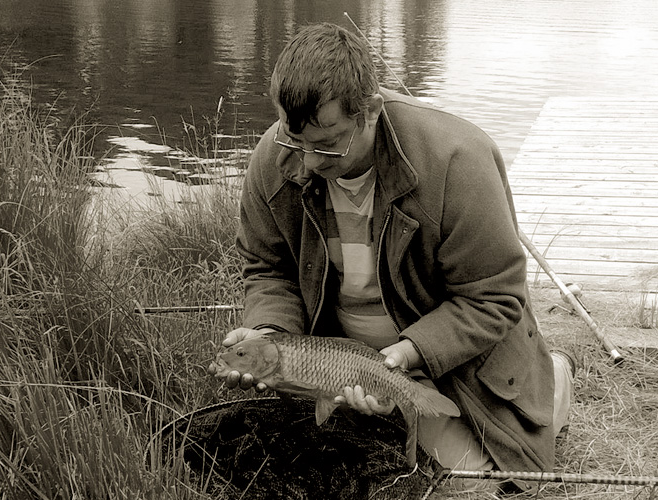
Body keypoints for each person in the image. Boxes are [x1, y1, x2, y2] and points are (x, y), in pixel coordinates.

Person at [210, 22, 575, 487]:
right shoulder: (274, 159)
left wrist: (403, 357)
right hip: (340, 356)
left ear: (372, 111)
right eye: (292, 139)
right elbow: (268, 270)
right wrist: (270, 336)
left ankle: (555, 379)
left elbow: (494, 298)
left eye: (327, 144)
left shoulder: (458, 161)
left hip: (443, 351)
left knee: (477, 484)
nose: (307, 162)